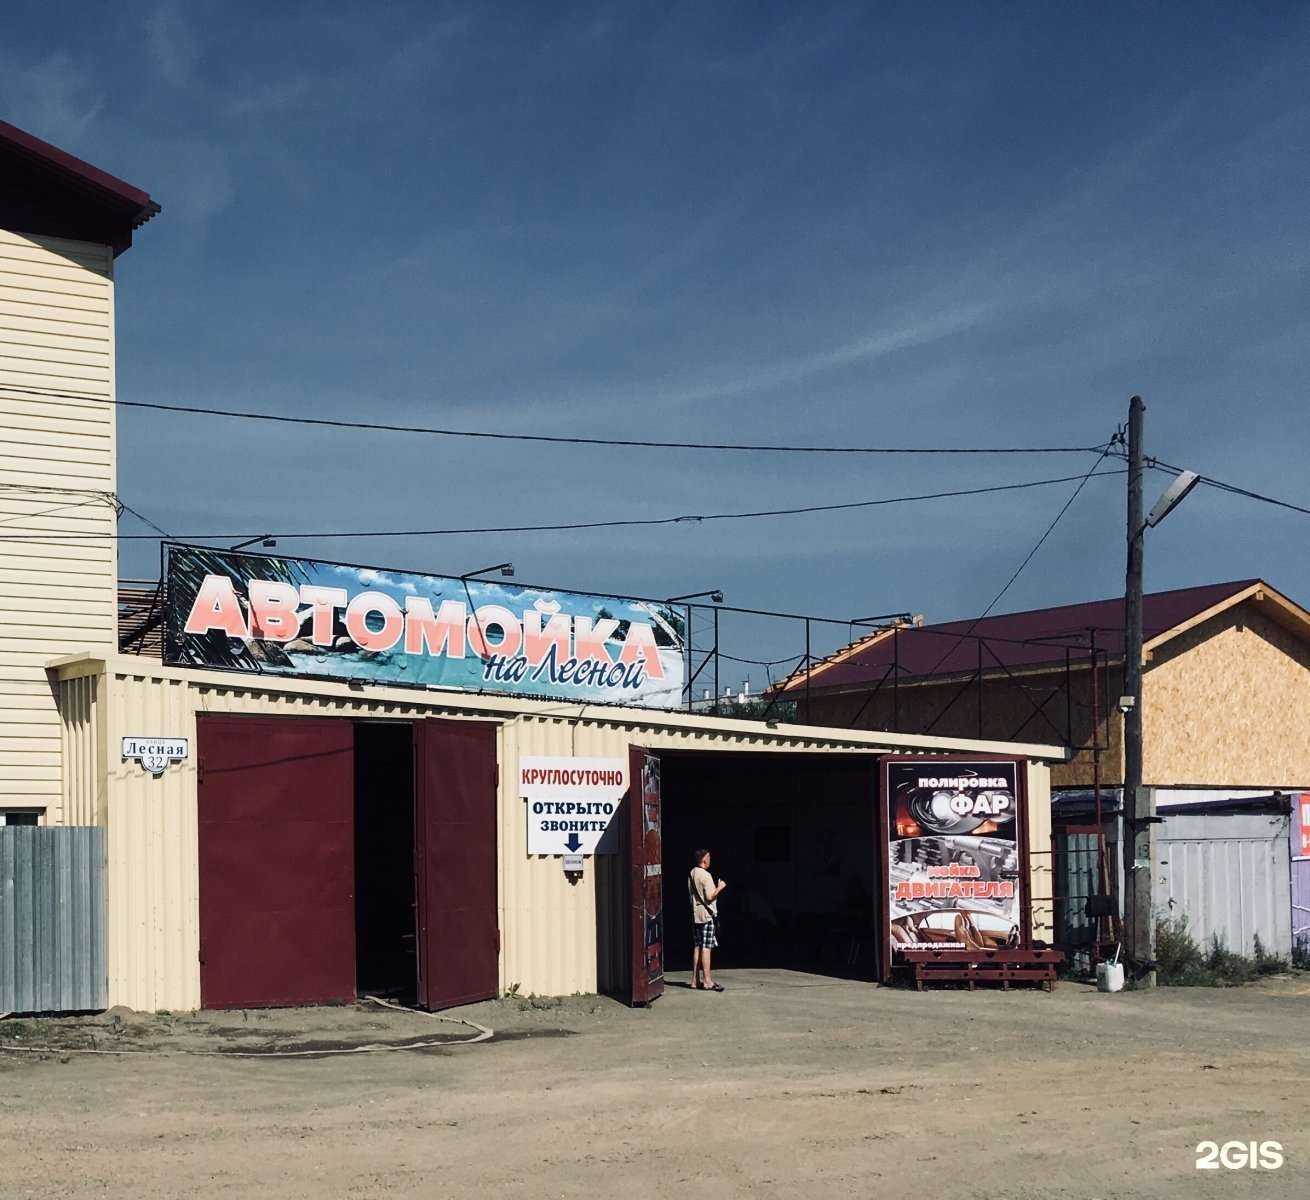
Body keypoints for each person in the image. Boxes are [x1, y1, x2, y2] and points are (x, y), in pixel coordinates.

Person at [688, 848, 727, 991]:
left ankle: (694, 980)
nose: (710, 859)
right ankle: (707, 980)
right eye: (709, 857)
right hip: (706, 916)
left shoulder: (692, 873)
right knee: (706, 947)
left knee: (698, 946)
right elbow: (710, 897)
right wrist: (720, 887)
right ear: (703, 859)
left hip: (695, 915)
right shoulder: (706, 875)